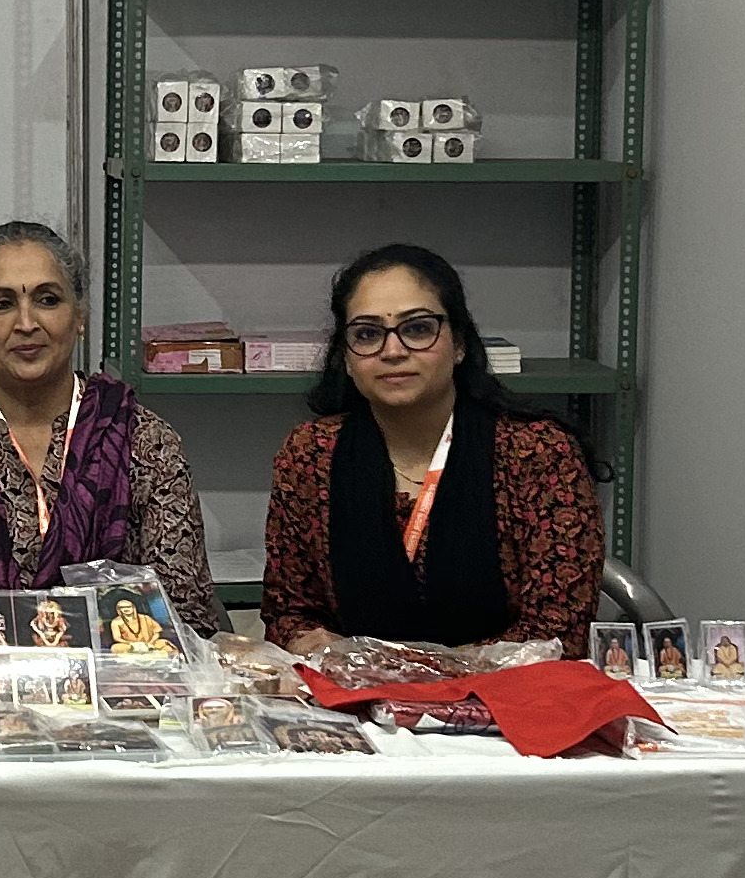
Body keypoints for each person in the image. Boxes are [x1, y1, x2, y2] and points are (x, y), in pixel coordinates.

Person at [255, 242, 605, 651]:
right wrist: (322, 650)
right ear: (347, 359)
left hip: (505, 691)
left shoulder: (537, 453)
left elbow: (558, 633)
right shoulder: (310, 455)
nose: (393, 351)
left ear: (459, 344)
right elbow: (288, 614)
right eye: (367, 334)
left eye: (418, 329)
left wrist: (419, 672)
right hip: (352, 689)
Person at [0, 219, 219, 630]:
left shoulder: (146, 445)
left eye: (48, 300)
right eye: (2, 304)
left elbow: (186, 619)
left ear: (79, 317)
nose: (26, 323)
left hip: (124, 667)